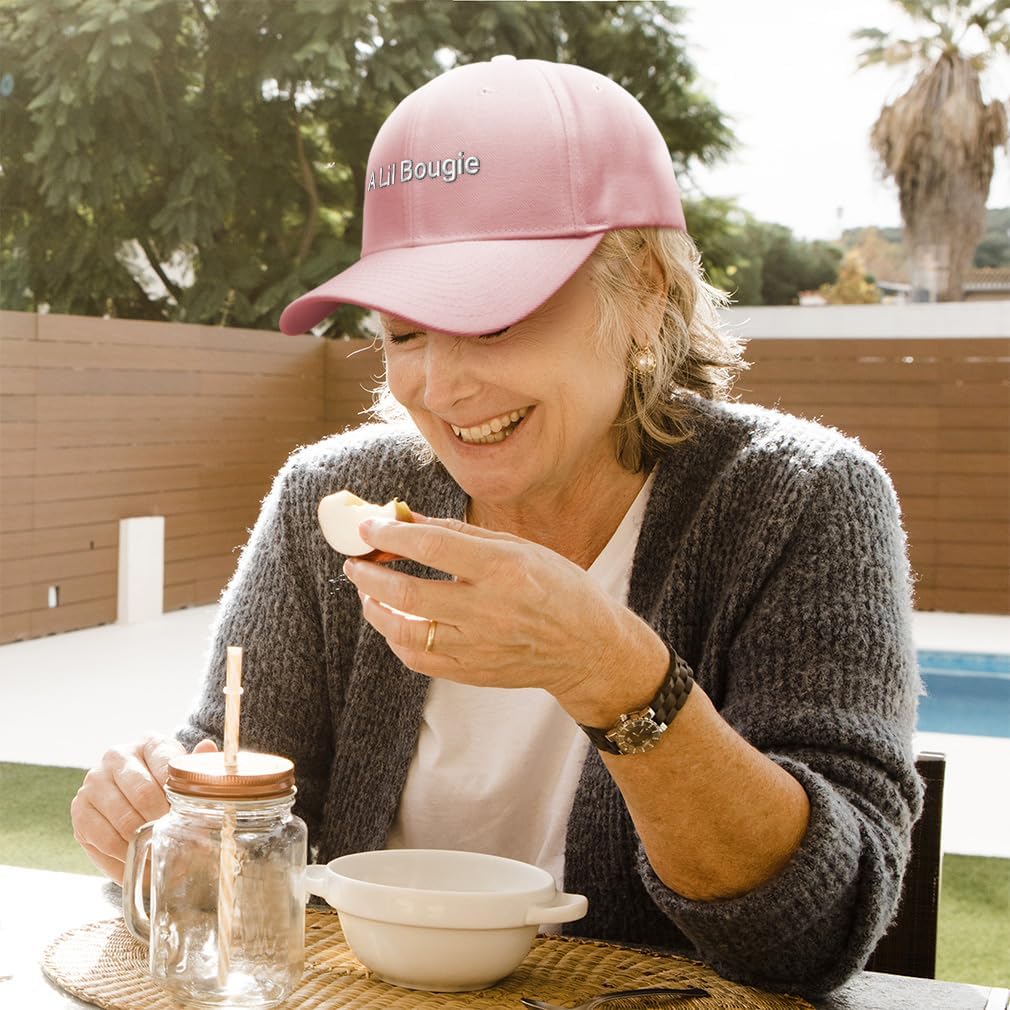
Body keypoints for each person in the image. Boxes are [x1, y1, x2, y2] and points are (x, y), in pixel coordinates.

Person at [71, 56, 922, 996]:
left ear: (642, 292)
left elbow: (815, 936)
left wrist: (607, 670)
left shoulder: (796, 501)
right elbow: (231, 850)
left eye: (491, 321)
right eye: (402, 333)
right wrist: (161, 820)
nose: (440, 388)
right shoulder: (331, 501)